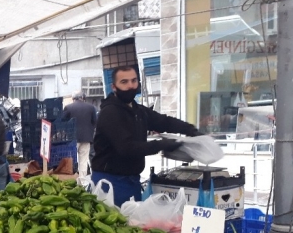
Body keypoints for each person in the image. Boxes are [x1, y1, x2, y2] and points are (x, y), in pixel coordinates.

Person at [92, 66, 201, 206]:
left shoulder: (138, 111)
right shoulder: (110, 113)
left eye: (133, 81)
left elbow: (164, 122)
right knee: (115, 218)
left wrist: (190, 130)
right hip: (110, 182)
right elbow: (126, 147)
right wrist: (161, 145)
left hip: (132, 180)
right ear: (114, 87)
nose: (130, 86)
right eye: (124, 82)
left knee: (132, 218)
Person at [62, 91, 97, 178]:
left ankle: (71, 178)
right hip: (86, 138)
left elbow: (62, 122)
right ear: (83, 98)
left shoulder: (68, 107)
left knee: (71, 160)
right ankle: (82, 181)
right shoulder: (91, 107)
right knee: (83, 160)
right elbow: (95, 122)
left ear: (74, 98)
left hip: (72, 139)